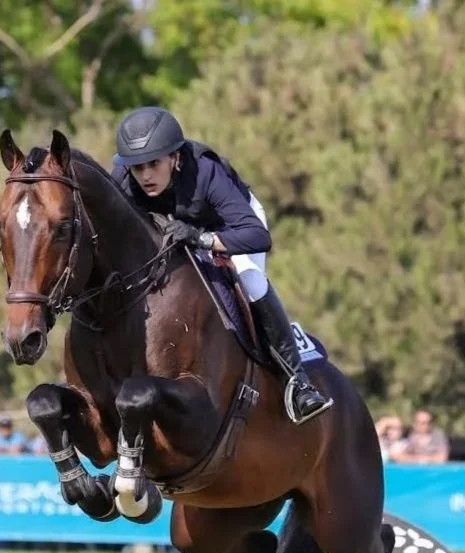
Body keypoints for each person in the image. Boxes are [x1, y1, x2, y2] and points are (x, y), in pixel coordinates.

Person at [110, 106, 333, 425]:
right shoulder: (124, 179)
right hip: (176, 231)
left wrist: (202, 239)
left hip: (231, 226)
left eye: (153, 164)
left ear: (174, 157)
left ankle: (298, 383)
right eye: (137, 167)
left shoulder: (205, 172)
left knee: (251, 280)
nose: (145, 176)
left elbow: (257, 236)